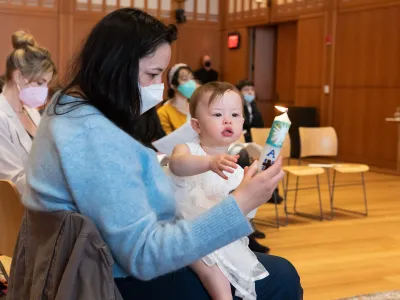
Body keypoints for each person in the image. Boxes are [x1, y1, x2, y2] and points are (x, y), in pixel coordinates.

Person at [21, 8, 302, 299]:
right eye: (153, 74)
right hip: (111, 276)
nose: (159, 86)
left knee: (265, 268)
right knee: (281, 276)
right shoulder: (95, 135)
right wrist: (241, 202)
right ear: (116, 66)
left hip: (81, 262)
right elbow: (145, 255)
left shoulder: (65, 106)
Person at [168, 82, 269, 300]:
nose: (227, 120)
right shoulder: (186, 149)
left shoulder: (237, 169)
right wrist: (209, 162)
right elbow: (177, 164)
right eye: (217, 114)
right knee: (210, 267)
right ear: (196, 125)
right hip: (182, 229)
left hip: (217, 231)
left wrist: (255, 190)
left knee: (241, 274)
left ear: (243, 122)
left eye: (234, 114)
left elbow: (240, 211)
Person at [0, 30, 56, 194]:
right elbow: (13, 182)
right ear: (18, 77)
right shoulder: (1, 117)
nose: (44, 90)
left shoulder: (31, 112)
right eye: (40, 82)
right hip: (17, 208)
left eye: (47, 84)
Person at [236, 79, 284, 205]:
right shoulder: (236, 107)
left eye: (251, 89)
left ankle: (271, 192)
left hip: (253, 141)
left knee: (269, 157)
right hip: (240, 142)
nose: (250, 92)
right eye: (246, 90)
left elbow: (260, 126)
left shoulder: (255, 107)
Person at [157, 63, 197, 134]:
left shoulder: (196, 108)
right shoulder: (163, 113)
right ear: (173, 85)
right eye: (185, 79)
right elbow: (166, 142)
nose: (191, 83)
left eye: (191, 78)